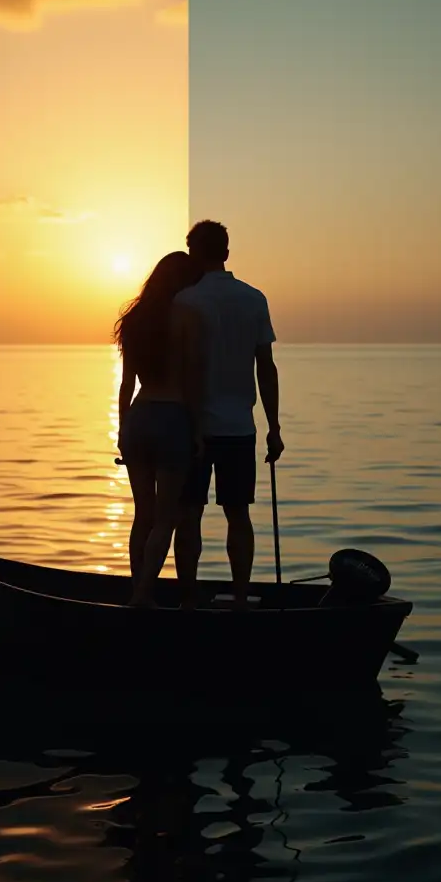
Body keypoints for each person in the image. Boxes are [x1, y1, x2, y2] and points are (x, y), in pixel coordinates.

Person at [173, 220, 284, 609]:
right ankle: (239, 596)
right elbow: (265, 366)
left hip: (193, 427)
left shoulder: (184, 301)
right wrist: (274, 427)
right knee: (239, 515)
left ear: (193, 254)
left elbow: (181, 367)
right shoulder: (254, 298)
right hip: (240, 425)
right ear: (226, 252)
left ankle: (188, 596)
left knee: (188, 514)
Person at [114, 251, 203, 606]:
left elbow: (126, 385)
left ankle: (139, 591)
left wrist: (122, 430)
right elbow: (192, 381)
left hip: (139, 417)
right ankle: (143, 594)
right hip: (172, 418)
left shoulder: (134, 319)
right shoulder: (186, 317)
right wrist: (197, 431)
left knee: (143, 517)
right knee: (167, 517)